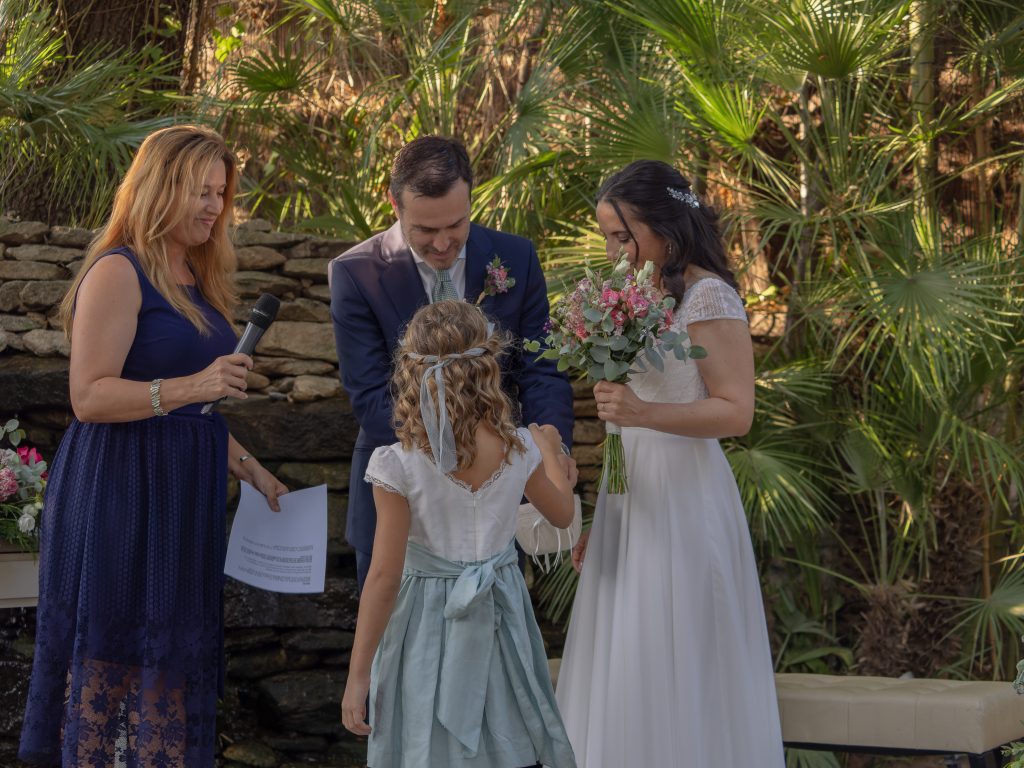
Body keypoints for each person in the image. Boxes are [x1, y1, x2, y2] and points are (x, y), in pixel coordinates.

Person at [19, 125, 287, 766]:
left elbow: (197, 411)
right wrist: (196, 381)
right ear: (159, 188)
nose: (214, 207)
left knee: (169, 661)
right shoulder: (118, 271)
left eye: (221, 194)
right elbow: (89, 398)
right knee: (114, 659)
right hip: (119, 490)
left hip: (178, 498)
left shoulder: (196, 273)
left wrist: (253, 470)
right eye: (200, 191)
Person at [554, 160, 785, 766]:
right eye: (607, 236)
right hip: (630, 504)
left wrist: (643, 413)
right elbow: (622, 427)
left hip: (685, 503)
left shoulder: (709, 294)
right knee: (624, 659)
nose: (614, 250)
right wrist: (605, 514)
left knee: (672, 654)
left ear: (667, 227)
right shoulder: (633, 296)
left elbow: (736, 413)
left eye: (623, 235)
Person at [340, 300, 578, 768]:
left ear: (410, 370)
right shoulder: (522, 449)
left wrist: (358, 675)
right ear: (490, 366)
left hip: (425, 619)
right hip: (500, 610)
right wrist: (551, 450)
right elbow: (564, 515)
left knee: (427, 739)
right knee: (505, 729)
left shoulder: (399, 463)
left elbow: (384, 576)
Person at [328, 136, 573, 590]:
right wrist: (463, 464)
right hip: (406, 492)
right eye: (424, 230)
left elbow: (542, 369)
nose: (443, 243)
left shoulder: (516, 256)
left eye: (456, 225)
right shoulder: (355, 273)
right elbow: (370, 396)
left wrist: (552, 449)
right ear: (393, 202)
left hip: (500, 501)